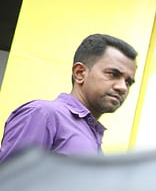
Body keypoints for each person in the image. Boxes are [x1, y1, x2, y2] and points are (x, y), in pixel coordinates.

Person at [0, 34, 138, 161]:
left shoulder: (92, 136)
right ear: (80, 73)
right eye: (113, 74)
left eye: (128, 82)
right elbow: (10, 182)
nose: (123, 87)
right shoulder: (43, 114)